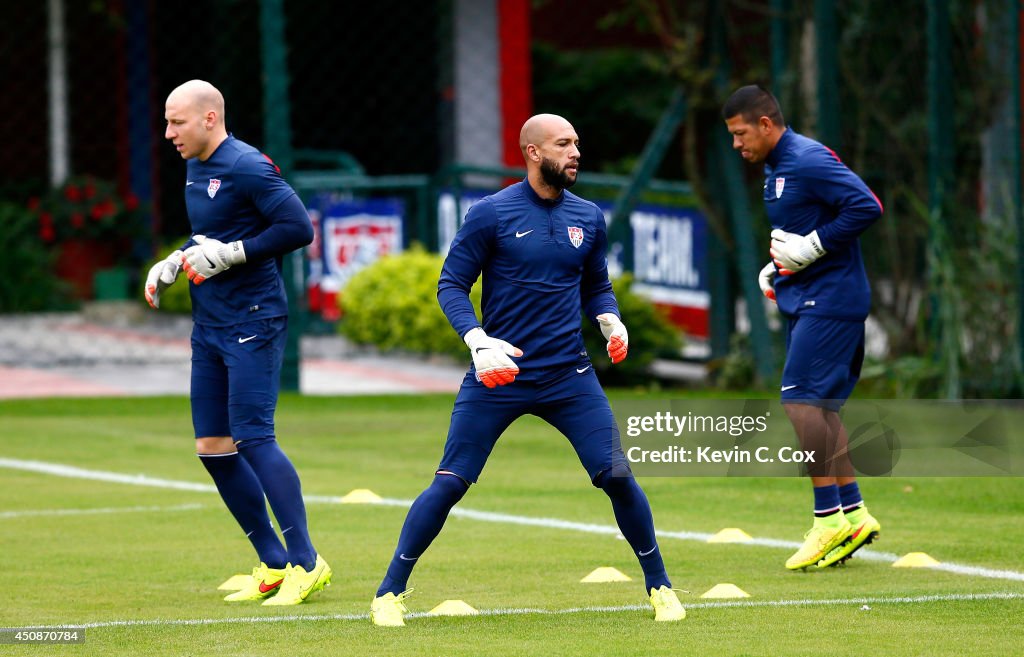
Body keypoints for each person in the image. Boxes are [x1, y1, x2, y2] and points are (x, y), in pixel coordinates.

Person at [368, 113, 685, 627]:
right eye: (564, 144)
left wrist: (610, 319)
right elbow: (450, 285)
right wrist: (477, 342)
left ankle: (661, 587)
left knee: (618, 476)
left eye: (578, 143)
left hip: (569, 376)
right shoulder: (490, 214)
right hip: (499, 375)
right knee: (450, 482)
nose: (576, 152)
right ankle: (388, 593)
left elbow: (595, 284)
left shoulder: (590, 217)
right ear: (533, 153)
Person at [145, 79, 330, 604]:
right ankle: (273, 564)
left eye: (176, 122)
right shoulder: (195, 165)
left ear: (208, 119)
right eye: (166, 120)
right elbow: (212, 232)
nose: (167, 133)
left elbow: (297, 228)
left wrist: (234, 255)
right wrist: (176, 260)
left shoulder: (248, 165)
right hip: (210, 326)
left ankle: (308, 563)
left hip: (254, 318)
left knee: (253, 436)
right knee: (212, 446)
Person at [722, 84, 884, 570]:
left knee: (799, 401)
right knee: (821, 406)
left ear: (766, 124)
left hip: (831, 301)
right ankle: (853, 513)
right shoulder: (775, 167)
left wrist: (812, 248)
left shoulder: (807, 159)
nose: (737, 145)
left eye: (741, 133)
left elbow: (866, 206)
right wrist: (783, 268)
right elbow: (808, 225)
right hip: (813, 296)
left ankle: (827, 520)